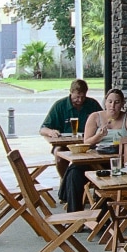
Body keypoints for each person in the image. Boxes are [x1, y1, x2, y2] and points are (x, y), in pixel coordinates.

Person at [39, 79, 102, 211]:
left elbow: (103, 120)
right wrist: (51, 132)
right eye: (76, 97)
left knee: (96, 157)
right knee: (59, 154)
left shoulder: (92, 105)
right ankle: (67, 185)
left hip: (88, 144)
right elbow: (43, 128)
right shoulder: (60, 105)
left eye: (82, 96)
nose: (79, 100)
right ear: (71, 92)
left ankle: (92, 190)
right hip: (65, 144)